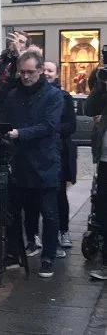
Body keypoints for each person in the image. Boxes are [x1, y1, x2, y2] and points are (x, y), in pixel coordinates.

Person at [3, 50, 63, 278]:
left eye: (30, 72)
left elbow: (49, 126)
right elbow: (6, 121)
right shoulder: (13, 95)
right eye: (22, 72)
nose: (26, 77)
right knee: (13, 210)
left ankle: (48, 256)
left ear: (40, 71)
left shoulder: (54, 96)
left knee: (48, 213)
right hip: (19, 162)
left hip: (45, 162)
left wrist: (21, 133)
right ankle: (13, 252)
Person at [23, 61, 76, 259]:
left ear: (57, 74)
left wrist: (51, 129)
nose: (47, 73)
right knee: (33, 198)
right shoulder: (32, 96)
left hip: (58, 152)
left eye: (50, 70)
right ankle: (33, 236)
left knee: (58, 196)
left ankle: (63, 231)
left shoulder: (63, 97)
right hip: (35, 153)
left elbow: (71, 125)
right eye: (44, 70)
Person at [84, 67, 107, 280]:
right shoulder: (103, 87)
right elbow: (89, 109)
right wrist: (101, 86)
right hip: (105, 160)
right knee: (103, 208)